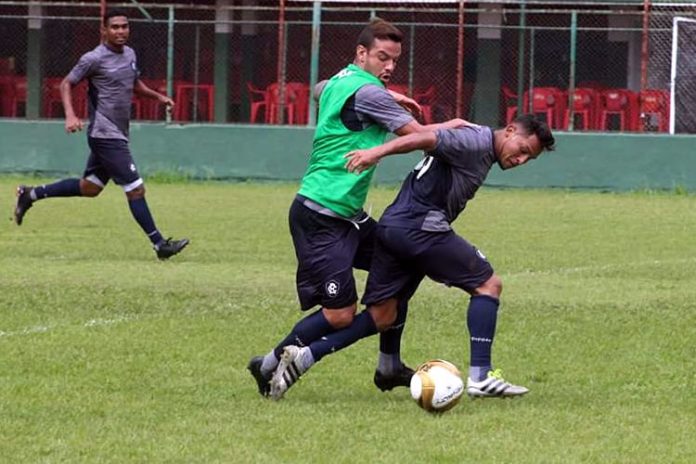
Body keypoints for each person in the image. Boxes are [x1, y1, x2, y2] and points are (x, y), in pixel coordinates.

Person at [247, 18, 469, 397]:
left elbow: (320, 89)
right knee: (340, 315)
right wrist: (458, 127)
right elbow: (420, 137)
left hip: (350, 216)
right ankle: (269, 364)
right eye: (382, 58)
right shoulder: (369, 94)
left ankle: (389, 365)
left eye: (395, 61)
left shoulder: (341, 81)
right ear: (361, 53)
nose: (389, 67)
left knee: (406, 260)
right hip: (320, 215)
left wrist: (388, 93)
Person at [269, 114, 555, 400]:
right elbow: (424, 138)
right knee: (488, 285)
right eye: (523, 151)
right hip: (420, 228)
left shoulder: (478, 143)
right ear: (509, 131)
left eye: (529, 159)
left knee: (382, 316)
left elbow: (431, 139)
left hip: (394, 227)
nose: (521, 161)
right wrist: (375, 153)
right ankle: (481, 377)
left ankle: (307, 357)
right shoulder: (476, 142)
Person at [13, 9, 189, 260]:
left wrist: (157, 96)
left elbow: (133, 83)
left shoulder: (130, 54)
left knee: (90, 187)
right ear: (104, 31)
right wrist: (71, 115)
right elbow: (66, 84)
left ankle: (29, 194)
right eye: (115, 27)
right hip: (105, 134)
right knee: (136, 190)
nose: (120, 31)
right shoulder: (93, 58)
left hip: (117, 131)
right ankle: (160, 244)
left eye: (124, 27)